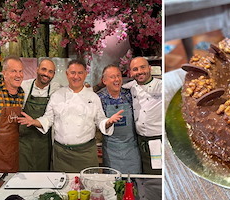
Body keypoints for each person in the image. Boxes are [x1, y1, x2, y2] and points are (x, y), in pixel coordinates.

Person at [18, 59, 124, 173]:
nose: (76, 76)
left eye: (80, 73)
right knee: (61, 188)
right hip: (61, 155)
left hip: (86, 154)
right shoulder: (57, 95)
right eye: (73, 73)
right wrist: (34, 122)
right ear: (67, 74)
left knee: (88, 187)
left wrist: (109, 122)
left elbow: (100, 120)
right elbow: (48, 118)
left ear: (85, 74)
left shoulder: (93, 97)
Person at [123, 57, 162, 199]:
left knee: (157, 178)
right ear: (130, 72)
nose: (139, 72)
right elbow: (113, 84)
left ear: (150, 68)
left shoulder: (160, 86)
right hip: (139, 141)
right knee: (143, 178)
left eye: (142, 67)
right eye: (135, 69)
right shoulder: (131, 86)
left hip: (157, 140)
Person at [97, 64, 141, 174]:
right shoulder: (99, 98)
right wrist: (108, 122)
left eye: (118, 76)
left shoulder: (129, 94)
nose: (116, 79)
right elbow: (97, 122)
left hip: (132, 149)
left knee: (134, 184)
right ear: (104, 81)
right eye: (112, 77)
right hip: (111, 150)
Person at [19, 59, 61, 171]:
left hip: (44, 142)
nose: (46, 74)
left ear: (53, 74)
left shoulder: (56, 90)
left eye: (50, 71)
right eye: (43, 69)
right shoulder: (24, 86)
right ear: (37, 69)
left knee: (42, 175)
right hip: (24, 141)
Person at [0, 56, 24, 172]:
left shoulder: (21, 94)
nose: (18, 75)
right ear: (4, 73)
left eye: (20, 71)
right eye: (13, 71)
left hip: (13, 158)